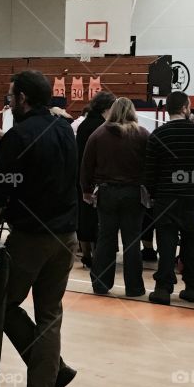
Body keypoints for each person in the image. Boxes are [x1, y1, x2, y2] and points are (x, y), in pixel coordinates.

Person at [0, 70, 78, 387]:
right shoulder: (63, 129)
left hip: (31, 236)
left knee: (1, 303)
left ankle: (50, 373)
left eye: (10, 95)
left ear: (23, 99)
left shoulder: (19, 136)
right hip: (66, 235)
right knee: (50, 315)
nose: (8, 100)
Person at [80, 97, 149, 298]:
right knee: (132, 241)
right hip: (134, 193)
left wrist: (86, 190)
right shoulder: (142, 134)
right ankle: (134, 288)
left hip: (106, 193)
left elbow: (86, 166)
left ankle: (101, 284)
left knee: (105, 239)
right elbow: (151, 164)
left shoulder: (98, 134)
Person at [144, 91, 194, 305]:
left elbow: (150, 171)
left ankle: (163, 289)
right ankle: (192, 288)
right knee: (192, 243)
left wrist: (153, 195)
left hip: (165, 197)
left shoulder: (157, 135)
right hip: (191, 195)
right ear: (184, 108)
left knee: (166, 243)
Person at [74, 91, 115, 269]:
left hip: (82, 177)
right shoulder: (104, 128)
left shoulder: (83, 125)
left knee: (84, 217)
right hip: (100, 179)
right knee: (100, 220)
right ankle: (100, 256)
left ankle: (87, 255)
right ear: (107, 108)